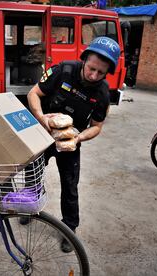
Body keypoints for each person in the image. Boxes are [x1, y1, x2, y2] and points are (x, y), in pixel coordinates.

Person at [27, 36, 120, 252]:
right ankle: (29, 208)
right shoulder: (64, 70)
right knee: (32, 172)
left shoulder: (103, 92)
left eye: (100, 73)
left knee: (70, 185)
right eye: (91, 68)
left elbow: (97, 126)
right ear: (85, 59)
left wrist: (77, 138)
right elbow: (34, 93)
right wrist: (43, 119)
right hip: (44, 133)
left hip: (70, 142)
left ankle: (69, 229)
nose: (94, 75)